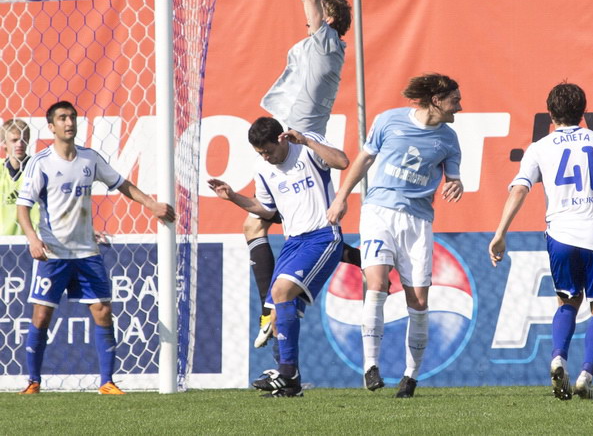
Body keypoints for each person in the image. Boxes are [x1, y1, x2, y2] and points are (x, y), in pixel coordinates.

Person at [488, 82, 593, 401]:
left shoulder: (539, 147)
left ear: (550, 113)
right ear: (583, 112)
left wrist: (500, 233)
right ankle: (586, 376)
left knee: (566, 302)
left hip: (560, 237)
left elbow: (519, 189)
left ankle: (558, 358)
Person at [244, 0, 354, 349]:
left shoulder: (325, 43)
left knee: (261, 225)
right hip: (293, 134)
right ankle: (271, 308)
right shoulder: (321, 46)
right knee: (253, 225)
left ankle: (271, 307)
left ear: (327, 20)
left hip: (298, 141)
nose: (309, 14)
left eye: (318, 13)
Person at [16, 101, 175, 395]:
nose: (69, 122)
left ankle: (106, 382)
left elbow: (122, 184)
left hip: (87, 252)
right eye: (62, 118)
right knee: (41, 316)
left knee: (102, 311)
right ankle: (33, 382)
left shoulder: (90, 159)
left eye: (72, 117)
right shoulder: (42, 162)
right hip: (53, 253)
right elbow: (22, 209)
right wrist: (33, 239)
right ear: (51, 127)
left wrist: (151, 204)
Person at [326, 73, 464, 398]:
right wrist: (342, 197)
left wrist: (455, 184)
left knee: (418, 300)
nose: (459, 105)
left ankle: (410, 376)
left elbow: (454, 178)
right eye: (454, 100)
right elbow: (364, 159)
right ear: (436, 100)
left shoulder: (448, 139)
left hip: (417, 223)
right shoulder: (389, 121)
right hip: (378, 212)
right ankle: (370, 367)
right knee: (376, 284)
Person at [208, 116, 349, 398]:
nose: (267, 157)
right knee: (276, 313)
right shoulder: (263, 169)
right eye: (260, 153)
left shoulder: (307, 147)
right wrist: (233, 196)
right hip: (293, 242)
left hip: (322, 236)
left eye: (269, 150)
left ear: (281, 139)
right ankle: (291, 383)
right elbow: (266, 210)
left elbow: (343, 162)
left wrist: (308, 140)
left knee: (282, 292)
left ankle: (288, 373)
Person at [1, 119, 38, 235]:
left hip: (34, 243)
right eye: (14, 140)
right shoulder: (1, 170)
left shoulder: (38, 169)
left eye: (23, 139)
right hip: (3, 242)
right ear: (3, 143)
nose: (19, 144)